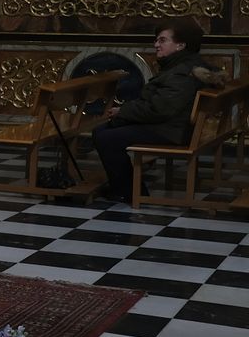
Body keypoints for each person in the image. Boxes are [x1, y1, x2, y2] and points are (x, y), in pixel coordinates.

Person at [92, 19, 222, 204]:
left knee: (106, 137)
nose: (156, 45)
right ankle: (125, 186)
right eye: (156, 40)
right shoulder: (185, 65)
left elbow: (160, 109)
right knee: (102, 131)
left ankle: (130, 192)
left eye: (162, 40)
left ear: (180, 45)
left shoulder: (180, 73)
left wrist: (123, 111)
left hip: (172, 130)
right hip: (175, 125)